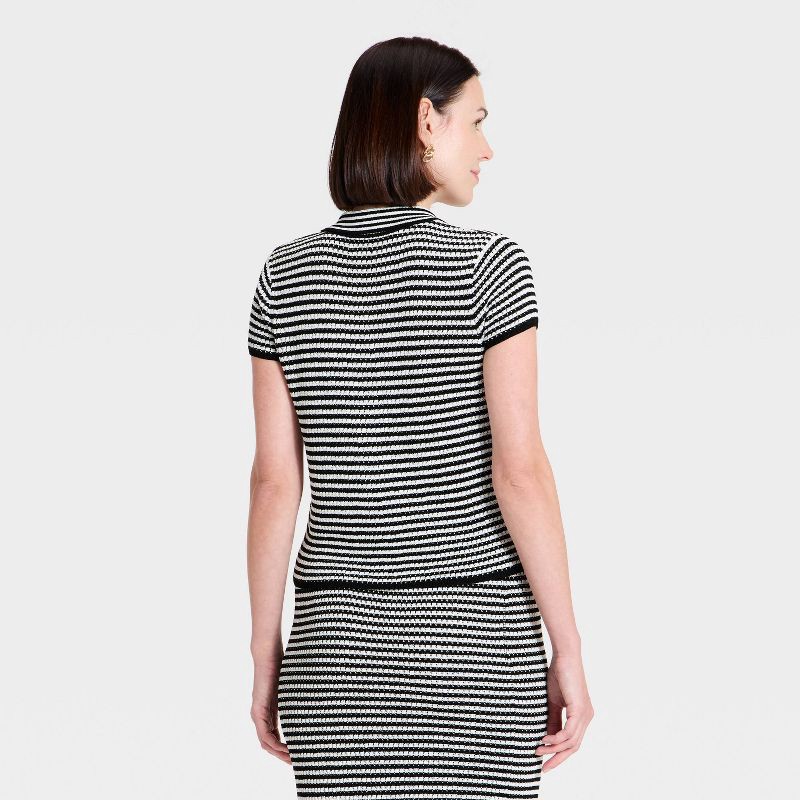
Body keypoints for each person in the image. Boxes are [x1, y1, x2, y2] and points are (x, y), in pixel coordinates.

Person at [246, 35, 593, 799]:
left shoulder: (284, 276)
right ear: (427, 121)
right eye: (478, 121)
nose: (488, 148)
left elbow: (276, 482)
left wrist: (266, 652)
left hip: (335, 659)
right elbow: (520, 471)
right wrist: (566, 645)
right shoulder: (490, 266)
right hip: (476, 651)